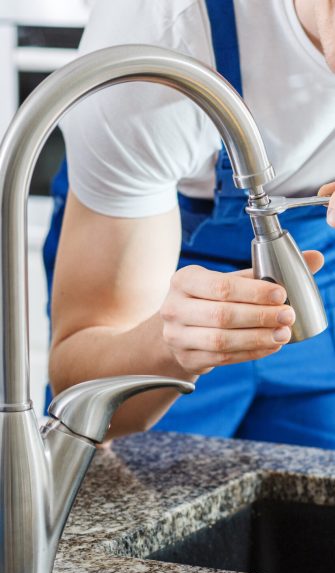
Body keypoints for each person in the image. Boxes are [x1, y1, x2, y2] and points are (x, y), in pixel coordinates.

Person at [43, 0, 335, 447]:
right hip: (166, 293)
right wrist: (167, 346)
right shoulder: (154, 48)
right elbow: (84, 392)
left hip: (321, 272)